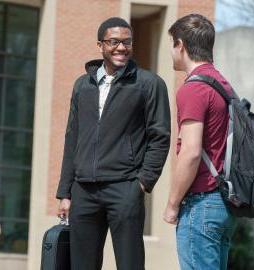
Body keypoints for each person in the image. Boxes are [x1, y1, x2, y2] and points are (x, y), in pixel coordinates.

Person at [56, 17, 171, 270]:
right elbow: (72, 137)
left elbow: (160, 137)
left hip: (125, 188)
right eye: (114, 42)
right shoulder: (82, 86)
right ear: (100, 45)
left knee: (130, 264)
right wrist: (65, 192)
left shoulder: (149, 84)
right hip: (83, 191)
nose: (122, 48)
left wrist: (142, 183)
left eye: (127, 42)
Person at [163, 14, 237, 270]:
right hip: (224, 204)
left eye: (172, 44)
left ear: (180, 45)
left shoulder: (193, 89)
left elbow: (192, 152)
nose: (172, 51)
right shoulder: (222, 84)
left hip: (201, 204)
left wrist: (172, 205)